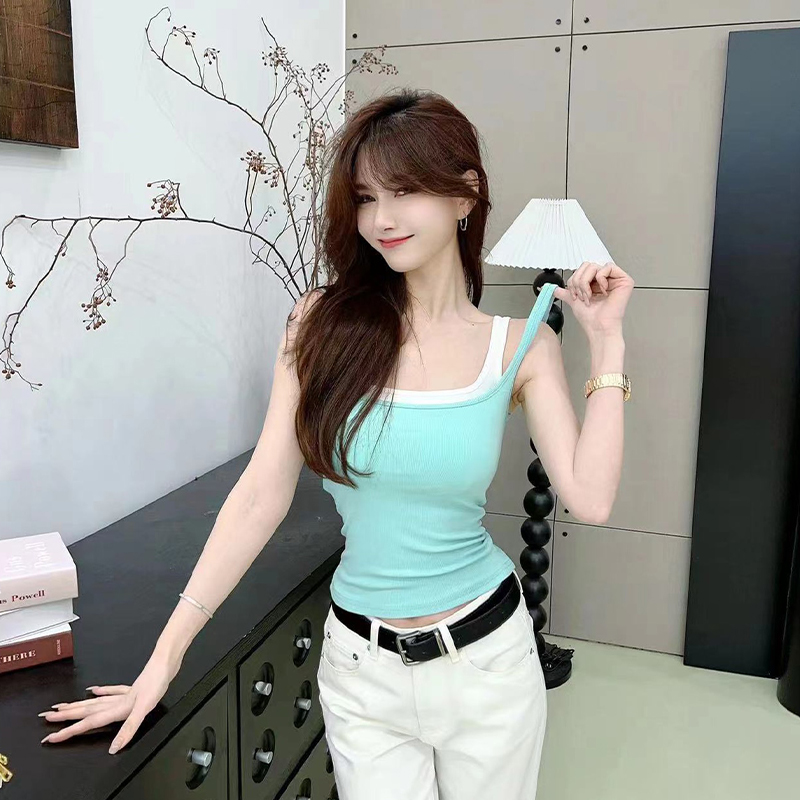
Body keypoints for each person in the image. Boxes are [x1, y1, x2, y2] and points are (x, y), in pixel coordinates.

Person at [39, 88, 632, 798]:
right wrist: (162, 662)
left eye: (405, 191)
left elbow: (590, 498)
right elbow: (260, 495)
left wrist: (607, 345)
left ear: (465, 195)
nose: (382, 219)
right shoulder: (320, 326)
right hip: (361, 670)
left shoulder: (520, 345)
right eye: (366, 198)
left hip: (487, 666)